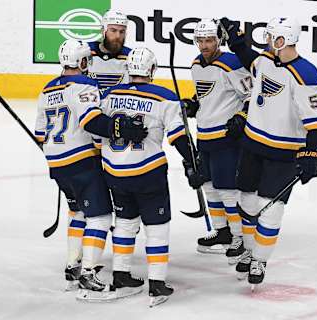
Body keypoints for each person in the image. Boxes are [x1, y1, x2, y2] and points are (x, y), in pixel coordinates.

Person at [219, 16, 317, 288]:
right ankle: (248, 248)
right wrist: (236, 40)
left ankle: (259, 259)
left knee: (270, 210)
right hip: (252, 146)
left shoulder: (306, 74)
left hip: (283, 154)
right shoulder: (265, 61)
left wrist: (311, 152)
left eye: (270, 38)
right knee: (245, 202)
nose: (266, 42)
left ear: (281, 40)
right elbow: (248, 58)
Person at [34, 40, 147, 293]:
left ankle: (71, 265)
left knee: (78, 213)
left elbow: (40, 134)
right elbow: (92, 122)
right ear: (83, 62)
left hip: (57, 164)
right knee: (101, 216)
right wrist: (119, 128)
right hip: (81, 161)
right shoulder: (85, 84)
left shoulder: (46, 89)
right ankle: (87, 273)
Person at [97, 47, 203, 306]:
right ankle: (157, 283)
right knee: (156, 228)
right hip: (148, 173)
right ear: (153, 70)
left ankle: (120, 274)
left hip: (114, 172)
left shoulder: (109, 96)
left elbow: (98, 133)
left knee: (124, 222)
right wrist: (193, 163)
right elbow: (179, 137)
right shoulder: (165, 98)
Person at [182, 19, 252, 264]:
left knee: (227, 190)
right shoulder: (195, 65)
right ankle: (222, 232)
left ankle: (238, 237)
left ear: (219, 40)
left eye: (209, 40)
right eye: (200, 40)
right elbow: (205, 96)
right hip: (205, 135)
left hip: (226, 137)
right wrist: (193, 104)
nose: (204, 45)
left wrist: (242, 116)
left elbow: (251, 95)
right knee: (209, 186)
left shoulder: (232, 64)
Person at [87, 9, 131, 95]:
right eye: (113, 30)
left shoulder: (130, 57)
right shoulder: (85, 52)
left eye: (122, 32)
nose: (118, 36)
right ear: (103, 31)